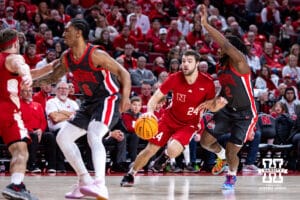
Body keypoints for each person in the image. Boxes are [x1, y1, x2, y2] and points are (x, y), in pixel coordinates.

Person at [33, 18, 131, 199]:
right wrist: (29, 83)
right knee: (63, 137)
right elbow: (52, 78)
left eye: (67, 31)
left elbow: (123, 73)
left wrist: (125, 98)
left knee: (94, 134)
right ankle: (85, 181)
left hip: (108, 98)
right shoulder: (67, 57)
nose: (63, 34)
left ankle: (100, 185)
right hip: (89, 102)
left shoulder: (95, 54)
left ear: (78, 32)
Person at [120, 49, 226, 187]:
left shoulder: (207, 82)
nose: (185, 64)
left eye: (189, 61)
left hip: (189, 123)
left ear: (197, 64)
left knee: (172, 149)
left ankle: (165, 156)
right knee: (150, 149)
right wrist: (150, 112)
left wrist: (218, 106)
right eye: (183, 61)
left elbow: (210, 106)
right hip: (169, 118)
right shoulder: (174, 78)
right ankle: (131, 174)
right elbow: (156, 97)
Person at [198, 5, 258, 190]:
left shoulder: (240, 63)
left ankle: (231, 176)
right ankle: (221, 155)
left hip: (245, 113)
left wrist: (205, 25)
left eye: (223, 47)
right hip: (226, 109)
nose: (218, 49)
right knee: (205, 142)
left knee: (234, 149)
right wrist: (214, 102)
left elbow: (224, 43)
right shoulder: (220, 66)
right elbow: (226, 89)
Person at [0, 28, 38, 200]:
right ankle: (16, 185)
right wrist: (27, 74)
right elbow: (20, 65)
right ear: (15, 43)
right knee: (20, 149)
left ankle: (17, 185)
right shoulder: (14, 57)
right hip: (7, 110)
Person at [20, 86, 56, 174]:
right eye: (25, 91)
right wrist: (31, 130)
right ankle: (32, 165)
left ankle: (51, 165)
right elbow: (19, 120)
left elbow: (43, 121)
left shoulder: (37, 105)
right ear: (21, 93)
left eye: (30, 91)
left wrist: (40, 130)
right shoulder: (18, 104)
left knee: (50, 136)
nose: (28, 93)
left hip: (38, 131)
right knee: (33, 136)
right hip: (25, 131)